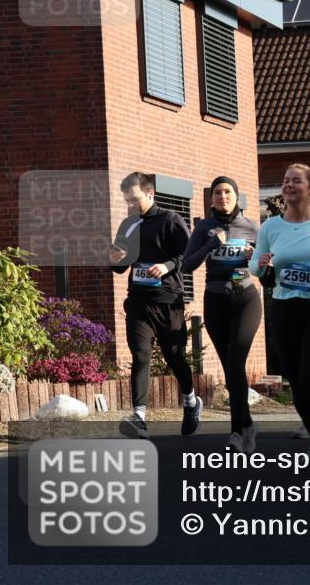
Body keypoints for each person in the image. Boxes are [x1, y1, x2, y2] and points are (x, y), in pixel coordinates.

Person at [250, 165, 310, 454]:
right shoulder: (270, 227)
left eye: (296, 181)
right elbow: (254, 265)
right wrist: (262, 263)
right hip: (284, 307)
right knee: (296, 378)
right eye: (285, 180)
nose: (288, 185)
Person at [110, 172, 197, 440]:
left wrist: (167, 266)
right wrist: (114, 258)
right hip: (138, 301)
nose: (131, 206)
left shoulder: (171, 220)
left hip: (168, 301)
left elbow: (189, 255)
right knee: (141, 355)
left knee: (174, 355)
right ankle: (139, 417)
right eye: (127, 201)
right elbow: (120, 267)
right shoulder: (127, 224)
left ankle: (191, 401)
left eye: (134, 200)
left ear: (150, 194)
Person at [181, 177, 260, 452]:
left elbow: (267, 267)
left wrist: (256, 258)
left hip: (246, 299)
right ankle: (246, 424)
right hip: (215, 300)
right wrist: (210, 245)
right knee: (230, 367)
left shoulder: (251, 226)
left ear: (236, 196)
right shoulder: (204, 227)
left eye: (228, 192)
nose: (223, 196)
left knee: (236, 360)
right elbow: (186, 266)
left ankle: (237, 432)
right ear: (211, 198)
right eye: (217, 192)